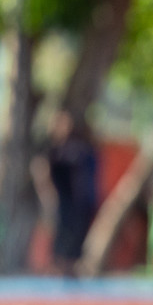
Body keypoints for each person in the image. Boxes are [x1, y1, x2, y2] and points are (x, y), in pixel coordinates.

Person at [39, 111, 99, 277]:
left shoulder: (81, 149)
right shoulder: (52, 152)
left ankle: (71, 272)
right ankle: (58, 270)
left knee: (77, 240)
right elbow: (42, 173)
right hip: (63, 204)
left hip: (81, 203)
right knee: (62, 238)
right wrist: (48, 196)